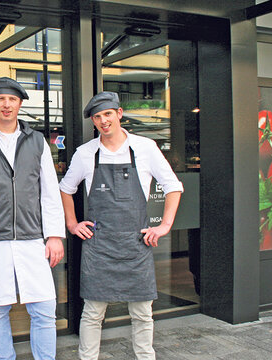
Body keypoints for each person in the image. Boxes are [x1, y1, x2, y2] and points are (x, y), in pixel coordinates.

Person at [59, 91, 183, 360]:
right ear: (93, 121)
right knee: (92, 312)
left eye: (107, 114)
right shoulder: (86, 153)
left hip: (135, 244)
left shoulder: (145, 148)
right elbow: (65, 189)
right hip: (99, 244)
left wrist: (164, 226)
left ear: (119, 113)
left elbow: (174, 187)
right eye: (97, 117)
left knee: (142, 312)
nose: (103, 121)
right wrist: (72, 223)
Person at [0, 77, 66, 360]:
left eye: (12, 100)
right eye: (1, 99)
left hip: (32, 236)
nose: (6, 105)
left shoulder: (36, 140)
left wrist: (54, 235)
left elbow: (50, 191)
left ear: (19, 104)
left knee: (43, 308)